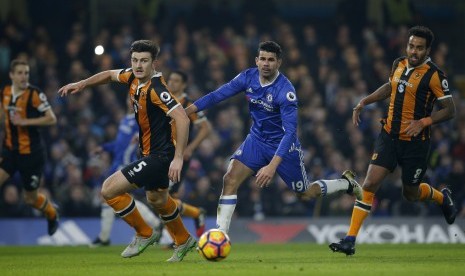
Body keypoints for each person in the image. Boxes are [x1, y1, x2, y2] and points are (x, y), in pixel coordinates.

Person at [185, 41, 362, 234]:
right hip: (257, 140)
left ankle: (346, 183)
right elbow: (217, 95)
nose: (266, 63)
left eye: (271, 60)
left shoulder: (285, 92)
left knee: (305, 193)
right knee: (230, 178)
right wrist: (187, 111)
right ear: (256, 60)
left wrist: (271, 166)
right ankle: (221, 235)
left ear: (279, 63)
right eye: (262, 59)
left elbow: (290, 133)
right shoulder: (248, 77)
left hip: (284, 148)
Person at [58, 40, 196, 262]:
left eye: (144, 61)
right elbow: (110, 75)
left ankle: (144, 233)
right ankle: (183, 239)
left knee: (109, 190)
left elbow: (182, 118)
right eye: (135, 60)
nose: (138, 65)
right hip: (149, 153)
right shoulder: (132, 76)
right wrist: (83, 83)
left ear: (154, 63)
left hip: (160, 156)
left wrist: (178, 158)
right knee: (158, 199)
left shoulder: (157, 89)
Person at [329, 26, 457, 256]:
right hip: (388, 135)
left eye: (419, 48)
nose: (414, 51)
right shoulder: (399, 63)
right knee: (369, 185)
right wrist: (364, 101)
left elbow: (450, 109)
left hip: (415, 143)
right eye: (411, 46)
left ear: (428, 50)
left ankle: (442, 196)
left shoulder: (435, 75)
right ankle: (350, 240)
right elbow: (391, 87)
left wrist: (424, 122)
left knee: (411, 193)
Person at [91, 96, 164, 247]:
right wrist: (103, 148)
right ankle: (154, 223)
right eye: (129, 99)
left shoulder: (139, 120)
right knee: (112, 197)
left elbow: (149, 134)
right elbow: (119, 144)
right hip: (117, 162)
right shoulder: (125, 119)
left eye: (134, 100)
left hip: (126, 163)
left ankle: (104, 237)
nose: (130, 102)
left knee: (108, 196)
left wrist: (140, 137)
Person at [0, 59, 59, 235]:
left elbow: (51, 118)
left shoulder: (35, 94)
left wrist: (25, 121)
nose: (24, 76)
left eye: (26, 73)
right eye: (20, 73)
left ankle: (51, 212)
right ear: (11, 75)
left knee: (30, 198)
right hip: (10, 151)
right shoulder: (4, 92)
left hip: (32, 155)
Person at [166, 70, 211, 238]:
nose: (172, 83)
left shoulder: (188, 104)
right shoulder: (165, 100)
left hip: (177, 157)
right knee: (166, 197)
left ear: (184, 84)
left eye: (176, 80)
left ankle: (177, 237)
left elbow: (206, 128)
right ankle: (196, 214)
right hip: (161, 154)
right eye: (170, 79)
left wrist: (190, 148)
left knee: (164, 196)